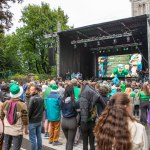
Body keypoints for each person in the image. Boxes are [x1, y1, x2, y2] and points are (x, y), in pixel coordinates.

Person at [0, 82, 28, 150]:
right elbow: (25, 119)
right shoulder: (22, 105)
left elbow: (1, 116)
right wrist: (26, 129)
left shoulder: (6, 103)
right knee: (16, 148)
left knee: (6, 146)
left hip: (7, 128)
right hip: (17, 130)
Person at [61, 85, 79, 150]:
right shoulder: (74, 101)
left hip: (64, 121)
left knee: (68, 141)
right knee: (70, 142)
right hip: (72, 121)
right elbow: (78, 110)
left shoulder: (62, 100)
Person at [28, 84, 44, 150]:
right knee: (39, 136)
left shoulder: (32, 99)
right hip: (39, 120)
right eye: (30, 90)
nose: (30, 91)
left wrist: (27, 120)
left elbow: (29, 111)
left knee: (32, 139)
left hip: (32, 121)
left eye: (32, 90)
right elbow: (43, 109)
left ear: (35, 91)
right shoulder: (41, 98)